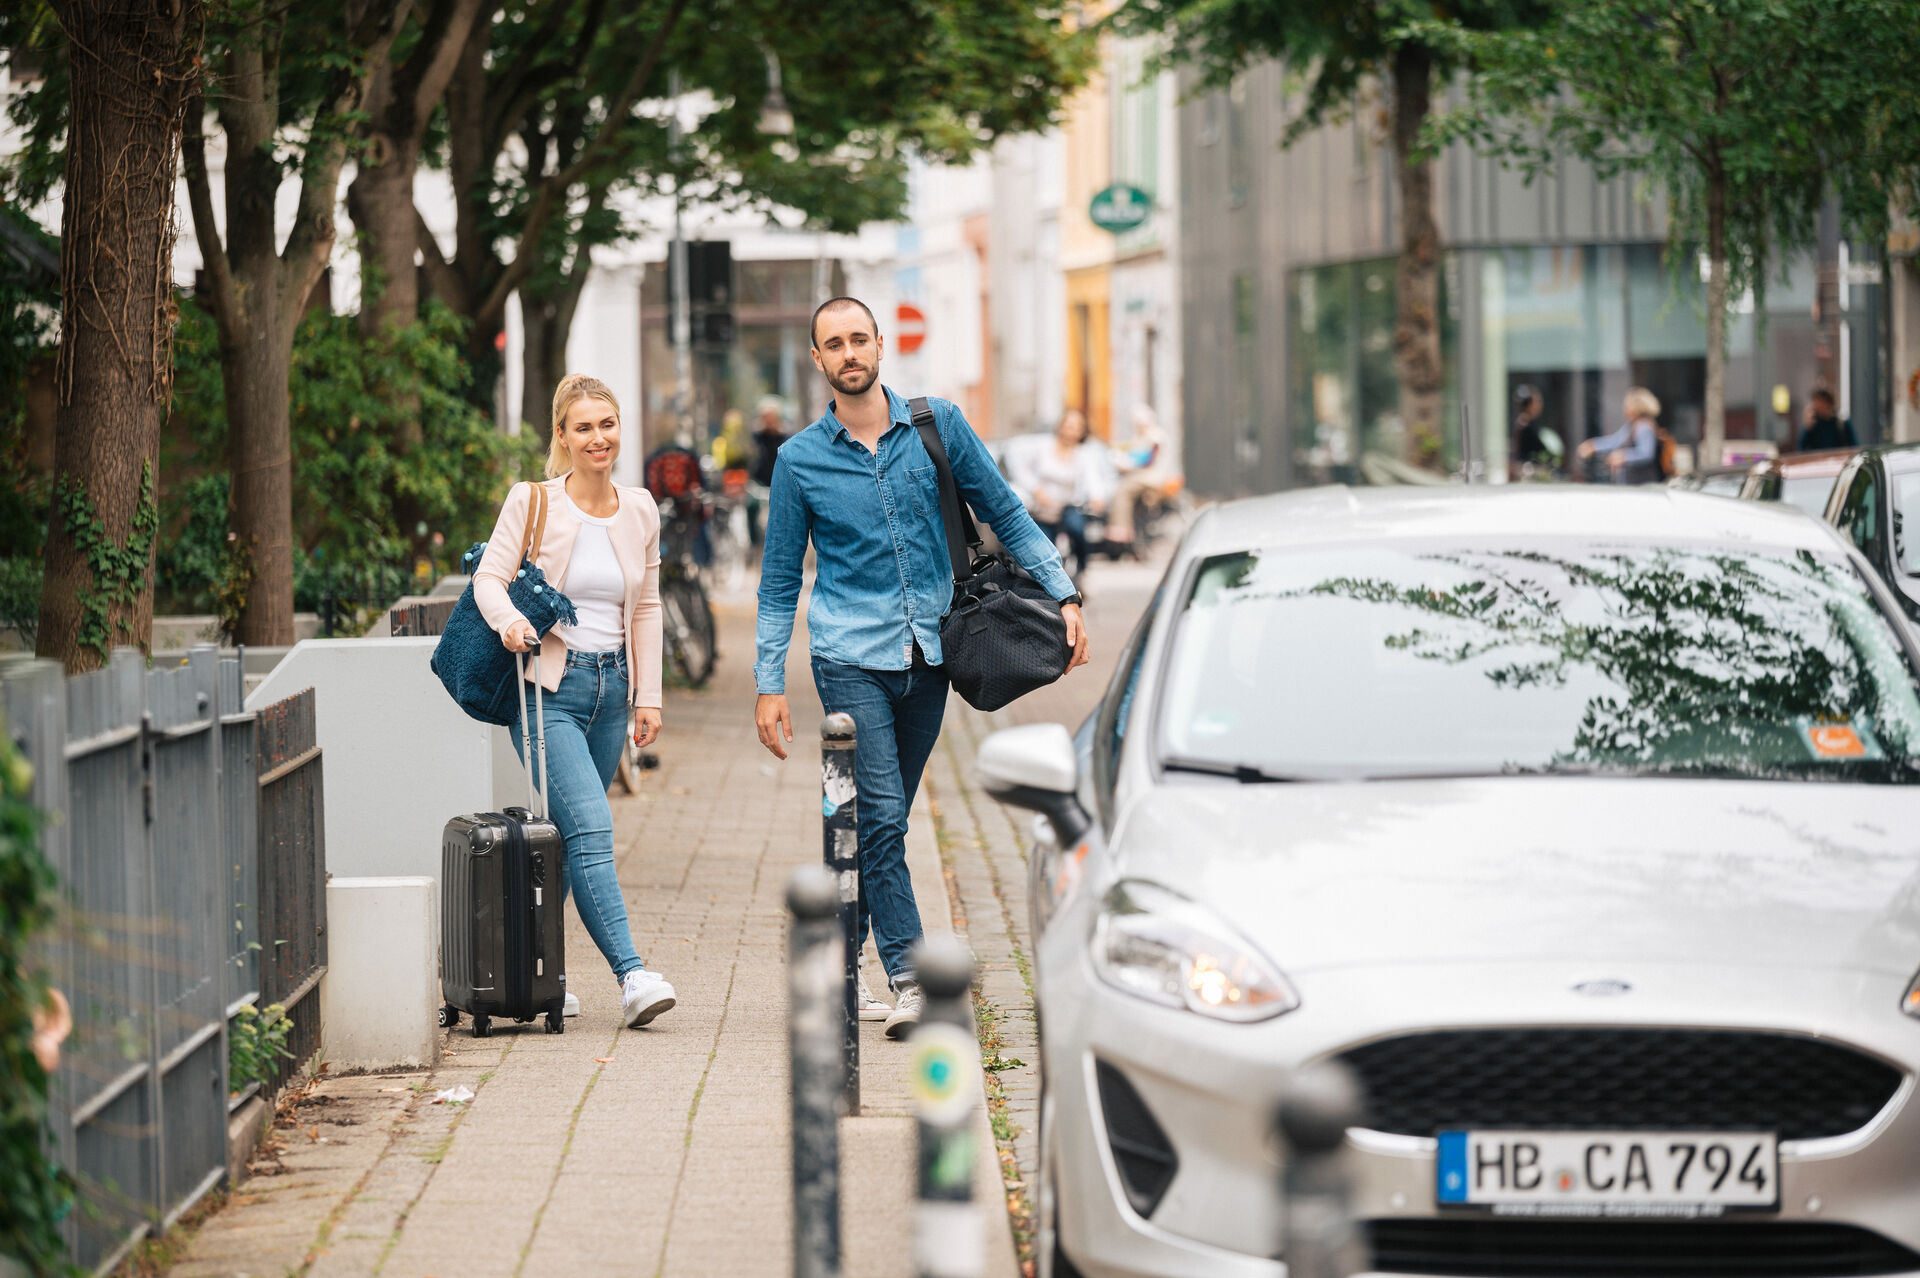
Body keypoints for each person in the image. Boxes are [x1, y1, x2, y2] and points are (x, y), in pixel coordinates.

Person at [754, 297, 1089, 1039]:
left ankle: (836, 972)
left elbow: (1005, 510)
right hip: (849, 656)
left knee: (883, 823)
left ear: (878, 345)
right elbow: (779, 580)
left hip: (932, 654)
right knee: (878, 818)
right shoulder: (800, 460)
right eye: (832, 344)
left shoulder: (937, 428)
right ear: (817, 360)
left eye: (857, 339)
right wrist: (768, 682)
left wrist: (1064, 593)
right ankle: (910, 976)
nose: (848, 352)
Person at [474, 374, 677, 1030]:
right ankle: (633, 975)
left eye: (608, 423)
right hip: (545, 694)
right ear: (562, 436)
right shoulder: (534, 502)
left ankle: (539, 976)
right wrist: (508, 622)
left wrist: (650, 694)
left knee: (565, 839)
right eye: (584, 427)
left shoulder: (640, 508)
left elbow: (644, 605)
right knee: (592, 827)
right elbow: (489, 578)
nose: (599, 437)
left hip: (612, 691)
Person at [1009, 409, 1113, 579]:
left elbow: (1092, 480)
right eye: (1069, 425)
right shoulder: (1043, 446)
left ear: (1082, 431)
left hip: (1069, 506)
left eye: (1077, 427)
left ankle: (1082, 570)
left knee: (1077, 529)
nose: (1071, 430)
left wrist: (1097, 497)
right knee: (1043, 547)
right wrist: (1036, 490)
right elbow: (1021, 471)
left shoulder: (1084, 454)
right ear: (1061, 426)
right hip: (1042, 508)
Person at [1104, 403, 1170, 549]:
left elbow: (1147, 459)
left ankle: (1121, 529)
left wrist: (1128, 465)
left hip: (1151, 477)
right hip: (1144, 475)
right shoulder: (1142, 436)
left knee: (1124, 489)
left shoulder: (1155, 435)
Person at [1577, 387, 1664, 485]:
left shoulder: (1644, 427)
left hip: (1643, 483)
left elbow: (1646, 454)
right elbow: (1616, 440)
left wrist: (1624, 456)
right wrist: (1594, 445)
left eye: (1627, 406)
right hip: (1632, 481)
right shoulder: (1632, 425)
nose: (1624, 409)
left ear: (1636, 407)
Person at [1508, 384, 1561, 478]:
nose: (1540, 405)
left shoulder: (1527, 423)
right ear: (1530, 404)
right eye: (1537, 401)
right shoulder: (1525, 425)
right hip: (1528, 472)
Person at [749, 395, 790, 488]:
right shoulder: (758, 436)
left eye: (771, 417)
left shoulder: (785, 437)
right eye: (766, 417)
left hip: (780, 481)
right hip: (760, 482)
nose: (769, 421)